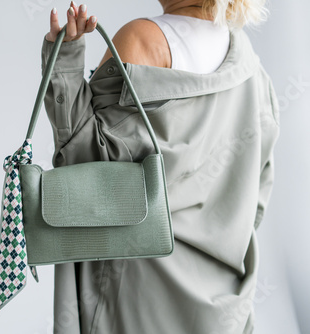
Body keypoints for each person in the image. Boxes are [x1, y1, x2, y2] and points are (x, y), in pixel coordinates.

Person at [41, 0, 280, 333]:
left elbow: (87, 170)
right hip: (225, 306)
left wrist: (63, 60)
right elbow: (256, 198)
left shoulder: (142, 39)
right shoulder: (254, 71)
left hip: (135, 295)